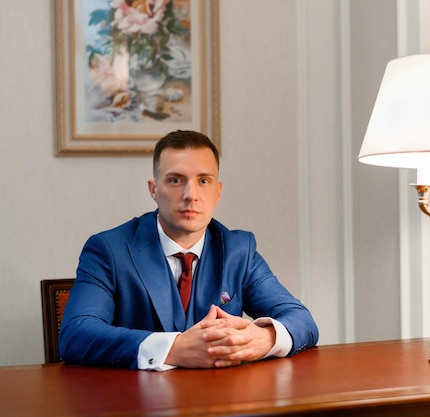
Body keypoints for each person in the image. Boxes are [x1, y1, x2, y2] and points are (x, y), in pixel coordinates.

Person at [59, 130, 319, 370]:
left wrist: (263, 338)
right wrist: (174, 349)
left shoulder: (239, 249)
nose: (190, 194)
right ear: (153, 190)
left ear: (217, 192)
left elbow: (302, 320)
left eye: (203, 180)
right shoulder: (109, 250)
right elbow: (76, 334)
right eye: (175, 180)